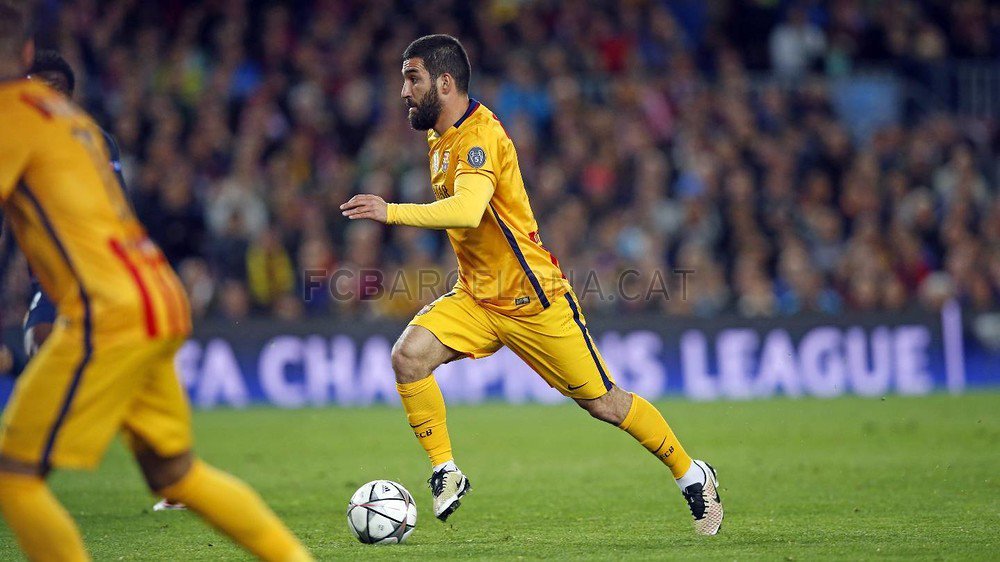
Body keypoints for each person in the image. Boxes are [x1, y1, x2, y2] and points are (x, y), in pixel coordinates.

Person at [341, 34, 724, 535]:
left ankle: (692, 474)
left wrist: (389, 211)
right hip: (477, 296)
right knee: (408, 357)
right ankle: (445, 471)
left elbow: (468, 209)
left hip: (533, 300)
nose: (403, 91)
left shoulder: (477, 138)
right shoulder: (439, 139)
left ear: (445, 82)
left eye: (412, 78)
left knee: (605, 403)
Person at [0, 5, 312, 560]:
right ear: (26, 51)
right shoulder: (74, 122)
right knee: (176, 474)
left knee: (13, 476)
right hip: (157, 294)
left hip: (106, 310)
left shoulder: (8, 119)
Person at [22, 48, 187, 513]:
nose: (44, 96)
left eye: (54, 88)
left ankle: (165, 469)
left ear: (70, 95)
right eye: (35, 86)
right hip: (56, 280)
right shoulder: (16, 139)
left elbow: (117, 210)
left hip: (102, 276)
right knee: (43, 345)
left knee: (60, 349)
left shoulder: (93, 141)